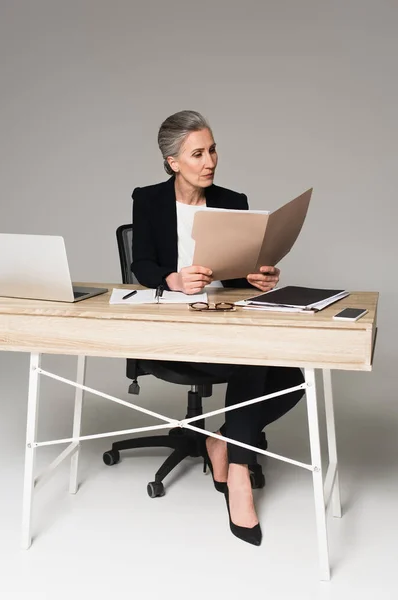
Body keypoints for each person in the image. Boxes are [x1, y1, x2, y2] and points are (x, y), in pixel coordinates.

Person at [131, 110, 304, 546]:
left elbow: (238, 276)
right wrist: (170, 280)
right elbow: (141, 264)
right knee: (253, 361)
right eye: (198, 153)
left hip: (218, 323)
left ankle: (224, 442)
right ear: (173, 162)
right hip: (170, 330)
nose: (210, 161)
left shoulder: (232, 199)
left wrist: (259, 277)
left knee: (294, 380)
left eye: (212, 150)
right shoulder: (148, 200)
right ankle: (240, 477)